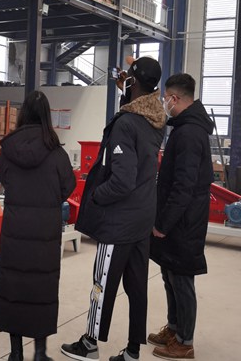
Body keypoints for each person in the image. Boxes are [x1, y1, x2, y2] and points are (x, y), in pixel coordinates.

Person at [60, 57, 166, 361]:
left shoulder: (126, 123)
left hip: (119, 221)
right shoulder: (155, 120)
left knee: (102, 284)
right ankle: (133, 352)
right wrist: (126, 90)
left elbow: (121, 181)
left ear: (133, 83)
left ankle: (89, 345)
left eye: (127, 80)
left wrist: (95, 198)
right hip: (142, 217)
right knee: (136, 287)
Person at [0, 90, 76, 361]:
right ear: (46, 115)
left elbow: (1, 175)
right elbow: (68, 187)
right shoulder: (56, 152)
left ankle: (15, 353)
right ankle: (40, 353)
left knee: (14, 287)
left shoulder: (9, 149)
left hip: (16, 230)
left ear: (22, 113)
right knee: (42, 289)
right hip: (45, 232)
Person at [148, 74, 213, 360]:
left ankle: (184, 341)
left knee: (182, 280)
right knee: (170, 275)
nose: (164, 102)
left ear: (174, 98)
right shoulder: (185, 127)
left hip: (183, 223)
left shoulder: (189, 133)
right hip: (177, 220)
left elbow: (183, 186)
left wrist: (163, 223)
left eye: (166, 97)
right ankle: (174, 329)